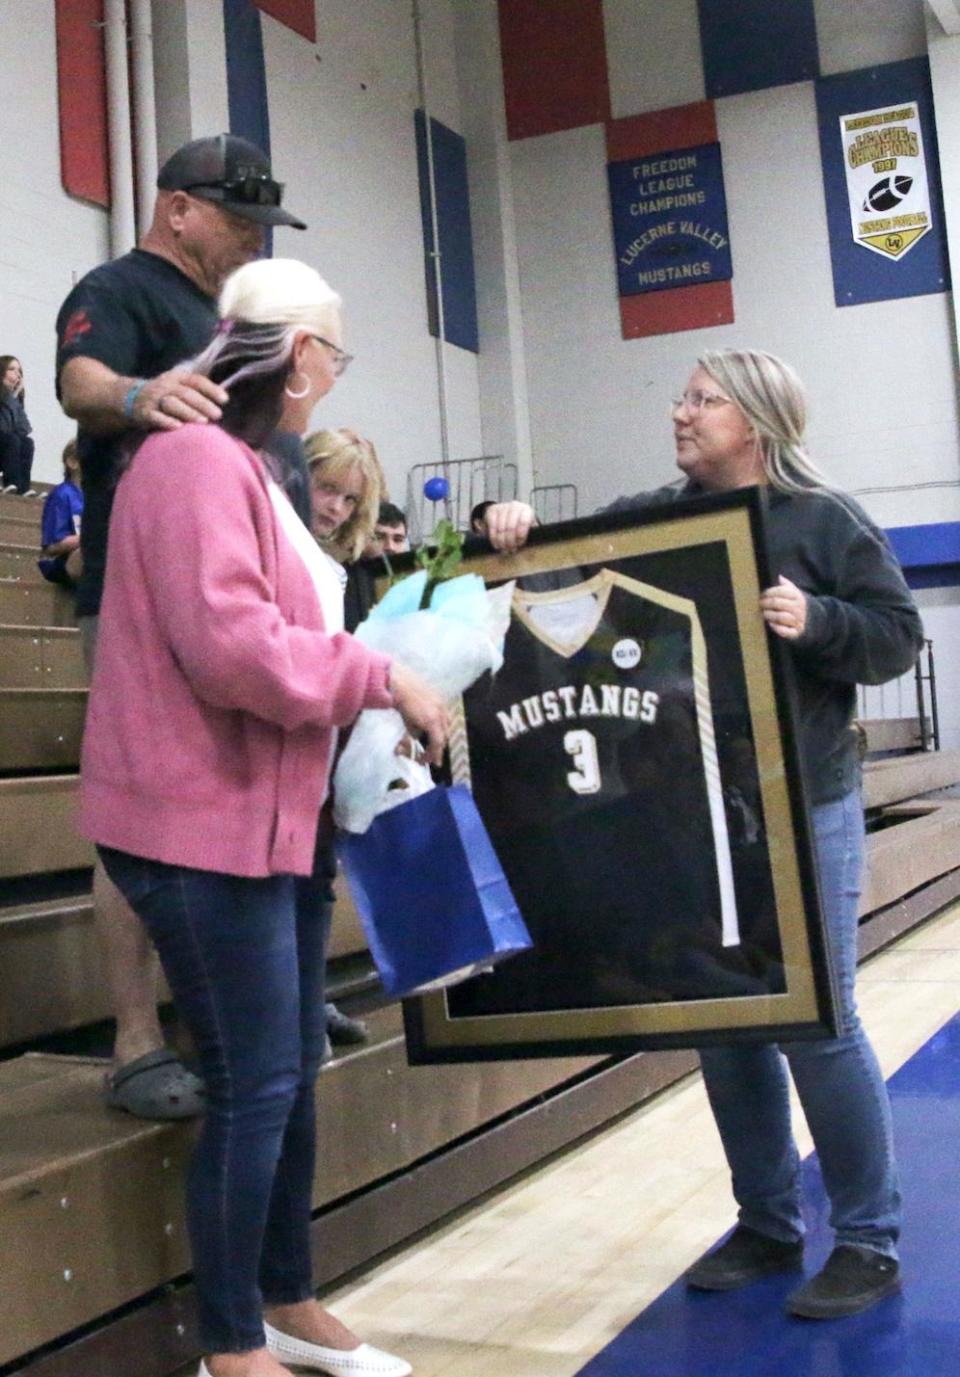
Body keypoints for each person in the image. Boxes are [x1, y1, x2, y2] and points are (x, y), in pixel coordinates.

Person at [482, 348, 923, 1320]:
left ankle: (867, 1238)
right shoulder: (653, 514)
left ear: (755, 424)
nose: (680, 413)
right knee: (723, 1018)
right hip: (697, 815)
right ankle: (767, 1223)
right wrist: (504, 526)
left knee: (821, 1021)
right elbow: (543, 565)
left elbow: (897, 636)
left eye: (702, 400)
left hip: (806, 804)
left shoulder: (826, 521)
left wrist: (819, 619)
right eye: (682, 398)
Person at [78, 256, 448, 1377]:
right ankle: (231, 1344)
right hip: (198, 825)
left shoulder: (236, 461)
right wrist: (379, 681)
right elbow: (234, 652)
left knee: (283, 1073)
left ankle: (286, 1298)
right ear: (297, 360)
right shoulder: (193, 461)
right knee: (252, 1085)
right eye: (334, 351)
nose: (335, 371)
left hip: (270, 824)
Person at [56, 133, 306, 1120]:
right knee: (136, 814)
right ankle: (136, 1040)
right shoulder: (119, 287)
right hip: (140, 597)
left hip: (237, 591)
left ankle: (241, 1010)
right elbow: (79, 380)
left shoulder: (232, 315)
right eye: (241, 221)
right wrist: (135, 392)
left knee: (239, 799)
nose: (255, 240)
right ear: (179, 210)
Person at [38, 438, 84, 584]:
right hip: (61, 561)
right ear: (72, 462)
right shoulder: (62, 495)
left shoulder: (96, 496)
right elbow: (52, 547)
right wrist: (92, 538)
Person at [0, 355, 35, 494]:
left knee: (27, 443)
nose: (17, 374)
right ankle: (11, 483)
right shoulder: (9, 400)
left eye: (19, 371)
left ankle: (22, 488)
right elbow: (3, 427)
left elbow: (25, 429)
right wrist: (11, 398)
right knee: (12, 440)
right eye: (12, 369)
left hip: (5, 445)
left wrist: (14, 398)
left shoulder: (13, 401)